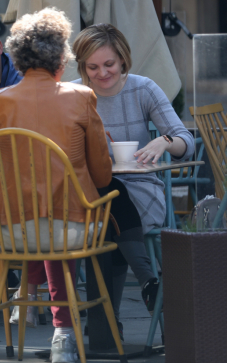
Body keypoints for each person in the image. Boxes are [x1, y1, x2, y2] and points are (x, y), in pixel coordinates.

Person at [0, 8, 112, 363]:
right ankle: (65, 333)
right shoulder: (81, 97)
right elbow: (102, 175)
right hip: (71, 228)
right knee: (65, 211)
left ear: (18, 58)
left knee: (42, 213)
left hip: (11, 231)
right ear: (61, 56)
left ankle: (29, 300)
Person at [72, 23, 192, 323]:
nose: (102, 73)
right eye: (93, 67)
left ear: (123, 59)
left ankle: (105, 326)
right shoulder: (74, 95)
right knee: (106, 192)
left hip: (141, 189)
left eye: (109, 64)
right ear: (83, 67)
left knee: (107, 209)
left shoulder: (143, 88)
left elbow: (186, 142)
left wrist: (164, 141)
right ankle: (148, 281)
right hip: (92, 192)